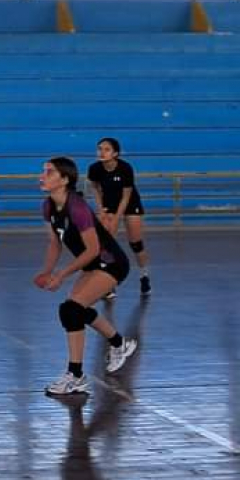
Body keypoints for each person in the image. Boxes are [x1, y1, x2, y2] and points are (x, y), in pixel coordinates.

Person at [35, 157, 137, 396]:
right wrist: (47, 272)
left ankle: (76, 376)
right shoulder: (48, 206)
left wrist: (62, 275)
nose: (42, 176)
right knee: (74, 311)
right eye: (43, 171)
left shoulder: (77, 207)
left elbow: (92, 249)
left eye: (49, 172)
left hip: (111, 262)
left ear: (65, 179)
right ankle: (119, 344)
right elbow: (54, 243)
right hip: (92, 263)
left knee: (71, 310)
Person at [87, 137, 152, 297]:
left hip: (129, 203)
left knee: (136, 243)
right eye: (100, 148)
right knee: (107, 245)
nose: (102, 152)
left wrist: (116, 217)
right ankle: (108, 284)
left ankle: (144, 276)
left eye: (106, 149)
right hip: (109, 203)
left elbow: (126, 196)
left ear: (115, 153)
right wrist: (100, 208)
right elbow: (94, 187)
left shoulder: (125, 168)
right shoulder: (94, 168)